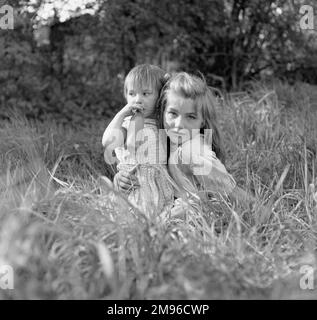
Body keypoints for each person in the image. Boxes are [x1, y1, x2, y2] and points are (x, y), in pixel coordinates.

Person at [114, 71, 237, 219]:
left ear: (202, 121)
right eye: (173, 113)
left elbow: (232, 193)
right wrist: (120, 178)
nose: (179, 125)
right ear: (162, 112)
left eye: (191, 116)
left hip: (196, 218)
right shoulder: (164, 141)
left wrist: (263, 211)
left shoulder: (191, 152)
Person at [102, 64, 175, 217]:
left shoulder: (165, 125)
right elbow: (108, 142)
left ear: (161, 96)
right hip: (131, 187)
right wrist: (122, 113)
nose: (137, 99)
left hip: (159, 190)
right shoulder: (126, 125)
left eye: (145, 93)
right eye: (132, 93)